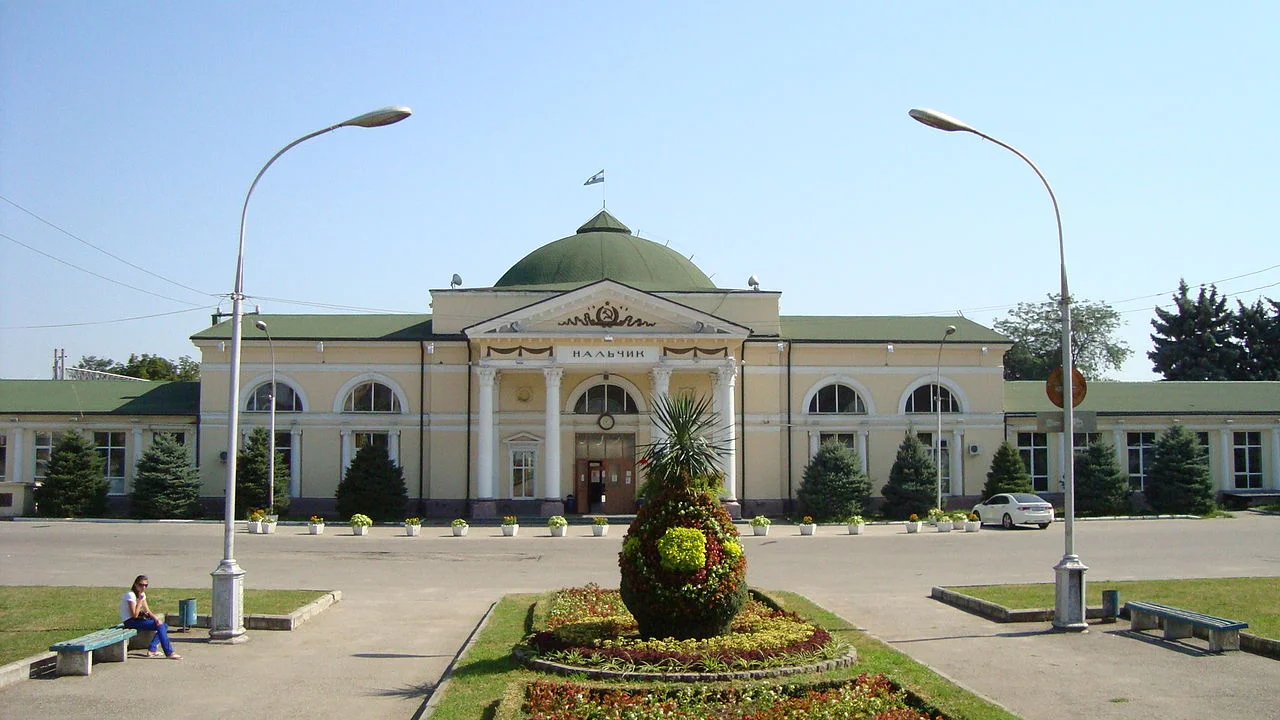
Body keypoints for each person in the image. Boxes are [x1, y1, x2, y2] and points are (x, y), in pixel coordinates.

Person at [120, 575, 181, 660]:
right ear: (135, 584)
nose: (143, 587)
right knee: (161, 626)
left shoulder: (142, 594)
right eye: (141, 585)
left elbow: (147, 610)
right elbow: (134, 614)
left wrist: (156, 619)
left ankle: (152, 649)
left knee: (163, 625)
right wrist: (140, 601)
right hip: (130, 621)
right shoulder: (130, 595)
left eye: (146, 585)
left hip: (138, 620)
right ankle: (169, 652)